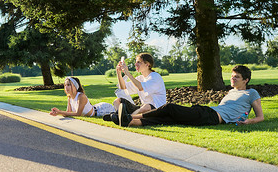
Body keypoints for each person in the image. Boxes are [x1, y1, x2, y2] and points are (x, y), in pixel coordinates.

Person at [116, 65, 264, 127]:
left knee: (170, 108)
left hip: (212, 116)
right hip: (209, 112)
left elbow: (260, 117)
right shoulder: (232, 92)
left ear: (246, 80)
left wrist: (248, 122)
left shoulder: (251, 93)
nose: (232, 79)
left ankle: (131, 116)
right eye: (232, 76)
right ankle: (130, 122)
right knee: (169, 119)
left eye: (236, 77)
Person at [104, 53, 166, 122]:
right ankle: (121, 117)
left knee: (146, 107)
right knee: (117, 101)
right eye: (136, 62)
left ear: (147, 64)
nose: (135, 64)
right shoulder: (140, 78)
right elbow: (123, 88)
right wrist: (119, 73)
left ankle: (122, 117)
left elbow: (140, 87)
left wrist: (127, 73)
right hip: (142, 109)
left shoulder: (155, 77)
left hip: (156, 110)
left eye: (138, 62)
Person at [50, 77, 115, 117]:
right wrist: (58, 112)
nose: (66, 87)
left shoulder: (81, 96)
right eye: (65, 85)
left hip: (102, 109)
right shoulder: (69, 97)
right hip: (97, 107)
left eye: (69, 85)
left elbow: (78, 114)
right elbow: (68, 113)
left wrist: (60, 112)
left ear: (75, 86)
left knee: (118, 112)